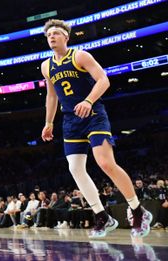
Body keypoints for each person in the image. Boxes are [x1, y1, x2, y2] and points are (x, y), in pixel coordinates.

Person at [40, 18, 153, 238]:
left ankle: (137, 210)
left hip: (93, 115)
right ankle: (102, 215)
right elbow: (51, 95)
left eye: (55, 33)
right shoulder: (46, 66)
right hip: (70, 120)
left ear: (66, 37)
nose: (51, 37)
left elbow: (103, 80)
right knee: (75, 168)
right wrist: (49, 122)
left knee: (105, 163)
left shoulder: (80, 56)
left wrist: (89, 101)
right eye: (48, 35)